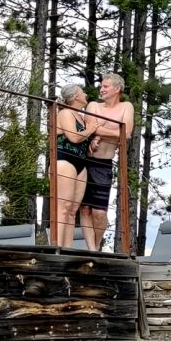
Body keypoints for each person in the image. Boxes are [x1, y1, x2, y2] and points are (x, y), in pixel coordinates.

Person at [81, 72, 135, 251]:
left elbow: (127, 133)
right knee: (85, 208)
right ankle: (92, 249)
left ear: (117, 89)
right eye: (101, 86)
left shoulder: (126, 106)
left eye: (105, 86)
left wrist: (99, 132)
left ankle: (96, 245)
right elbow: (90, 128)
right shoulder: (93, 105)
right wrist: (112, 132)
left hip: (104, 164)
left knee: (99, 212)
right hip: (84, 160)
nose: (101, 89)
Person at [54, 84, 102, 248]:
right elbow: (74, 137)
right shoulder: (65, 113)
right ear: (75, 97)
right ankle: (57, 248)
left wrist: (93, 141)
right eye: (83, 92)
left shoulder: (80, 116)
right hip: (65, 160)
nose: (86, 94)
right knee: (63, 207)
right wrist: (90, 130)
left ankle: (67, 249)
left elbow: (82, 140)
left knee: (72, 210)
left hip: (81, 162)